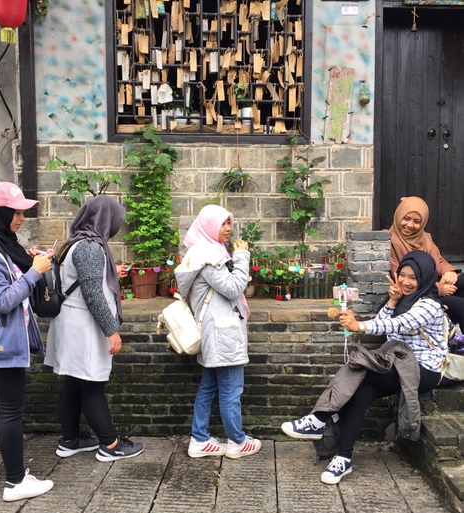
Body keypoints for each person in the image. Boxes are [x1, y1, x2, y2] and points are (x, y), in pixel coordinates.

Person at [281, 250, 446, 485]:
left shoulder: (429, 305)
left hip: (424, 369)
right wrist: (392, 301)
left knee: (360, 366)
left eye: (413, 277)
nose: (406, 282)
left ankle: (318, 419)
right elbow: (384, 324)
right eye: (402, 275)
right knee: (361, 393)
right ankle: (343, 458)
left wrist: (359, 326)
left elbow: (400, 323)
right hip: (397, 362)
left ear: (426, 278)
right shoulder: (403, 299)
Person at [0, 182, 54, 501]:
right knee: (12, 411)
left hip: (3, 338)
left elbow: (10, 282)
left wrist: (29, 263)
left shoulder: (1, 247)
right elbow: (2, 301)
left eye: (21, 212)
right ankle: (15, 482)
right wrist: (33, 273)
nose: (21, 218)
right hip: (2, 342)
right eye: (15, 212)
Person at [45, 196, 144, 462]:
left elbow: (89, 279)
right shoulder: (90, 247)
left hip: (74, 324)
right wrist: (111, 330)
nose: (116, 228)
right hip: (84, 328)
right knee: (91, 384)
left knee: (73, 382)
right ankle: (110, 445)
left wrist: (112, 271)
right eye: (115, 222)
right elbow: (92, 293)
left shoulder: (78, 242)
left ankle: (70, 440)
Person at [175, 205, 262, 459]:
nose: (228, 228)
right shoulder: (209, 257)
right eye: (222, 223)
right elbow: (234, 287)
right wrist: (242, 255)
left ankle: (199, 439)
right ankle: (237, 441)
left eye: (229, 223)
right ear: (208, 226)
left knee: (209, 386)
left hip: (215, 332)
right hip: (224, 333)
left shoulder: (204, 252)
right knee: (231, 390)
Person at [390, 196, 464, 331]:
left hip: (434, 285)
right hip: (417, 294)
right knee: (460, 305)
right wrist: (439, 289)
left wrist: (449, 271)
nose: (410, 225)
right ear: (398, 216)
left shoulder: (424, 238)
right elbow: (400, 279)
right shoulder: (391, 241)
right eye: (406, 218)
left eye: (417, 221)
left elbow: (439, 261)